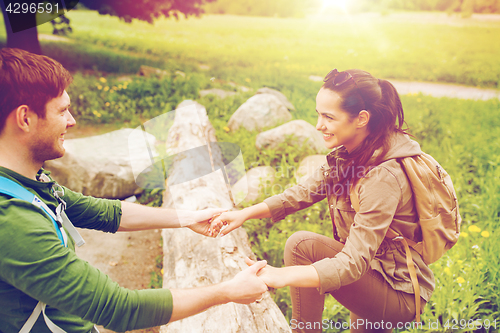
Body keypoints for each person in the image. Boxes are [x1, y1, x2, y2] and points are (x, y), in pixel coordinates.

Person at [0, 47, 268, 333]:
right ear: (25, 118)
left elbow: (102, 212)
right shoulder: (13, 221)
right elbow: (119, 309)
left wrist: (187, 218)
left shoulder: (24, 181)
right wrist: (227, 292)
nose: (72, 121)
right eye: (63, 110)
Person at [211, 69, 435, 332]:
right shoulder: (353, 154)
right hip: (375, 274)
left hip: (396, 292)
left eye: (329, 117)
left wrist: (280, 276)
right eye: (319, 114)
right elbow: (301, 193)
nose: (319, 125)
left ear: (361, 118)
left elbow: (352, 262)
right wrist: (243, 214)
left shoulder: (382, 177)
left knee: (301, 246)